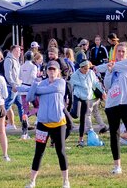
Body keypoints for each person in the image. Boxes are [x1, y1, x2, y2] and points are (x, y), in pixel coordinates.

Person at [24, 60, 70, 188]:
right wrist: (34, 84)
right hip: (43, 123)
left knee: (60, 152)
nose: (51, 72)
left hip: (58, 123)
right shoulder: (41, 83)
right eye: (49, 69)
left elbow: (51, 89)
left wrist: (38, 90)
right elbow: (29, 98)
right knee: (38, 152)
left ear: (58, 71)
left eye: (54, 69)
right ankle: (32, 181)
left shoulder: (61, 82)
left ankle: (66, 181)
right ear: (46, 71)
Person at [103, 41, 127, 175]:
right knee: (114, 135)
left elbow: (108, 66)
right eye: (118, 51)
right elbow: (107, 85)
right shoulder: (111, 66)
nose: (121, 53)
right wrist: (109, 71)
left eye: (123, 51)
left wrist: (108, 66)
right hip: (112, 104)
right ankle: (117, 166)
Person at [70, 59, 105, 147]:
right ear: (80, 68)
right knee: (76, 114)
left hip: (87, 97)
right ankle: (70, 112)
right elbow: (70, 87)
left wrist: (103, 92)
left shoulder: (91, 73)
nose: (87, 70)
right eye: (85, 69)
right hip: (78, 96)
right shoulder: (75, 75)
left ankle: (80, 140)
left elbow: (96, 83)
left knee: (83, 118)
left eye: (88, 68)